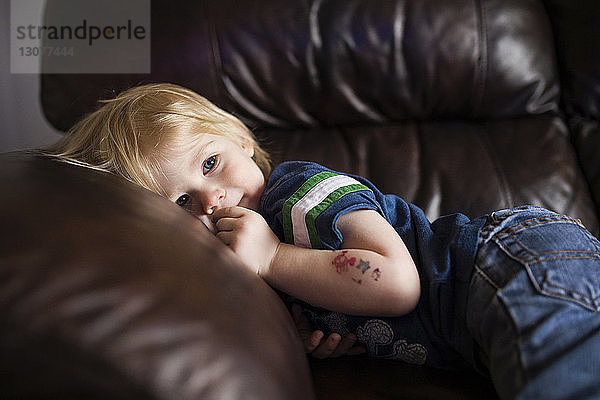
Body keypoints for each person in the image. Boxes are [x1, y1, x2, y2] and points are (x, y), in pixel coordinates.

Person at [47, 83, 600, 400]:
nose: (212, 200)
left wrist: (274, 258)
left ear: (241, 139)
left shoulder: (298, 192)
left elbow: (399, 284)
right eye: (181, 204)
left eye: (212, 164)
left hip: (504, 259)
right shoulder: (238, 262)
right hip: (467, 339)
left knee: (563, 360)